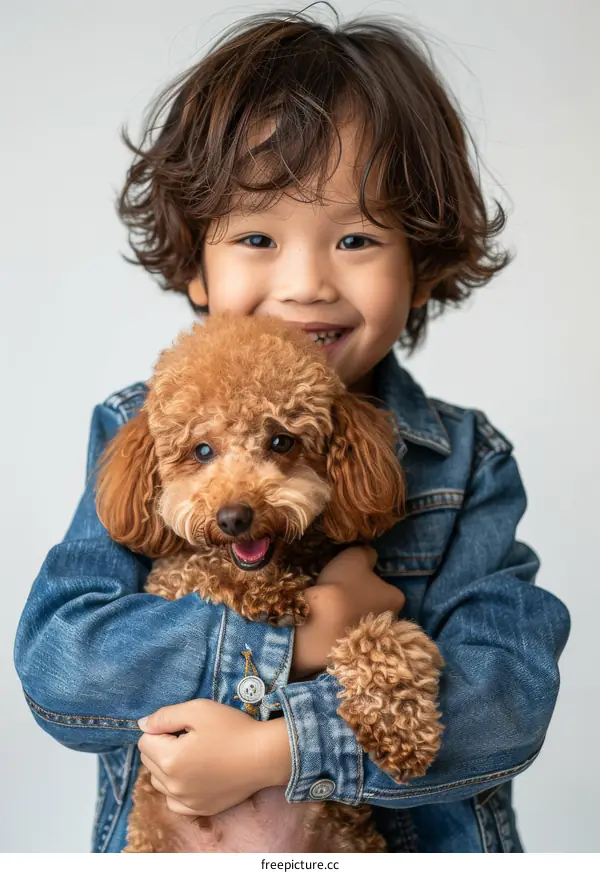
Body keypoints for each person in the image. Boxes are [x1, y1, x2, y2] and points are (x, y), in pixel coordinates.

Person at [13, 6, 570, 853]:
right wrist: (303, 635)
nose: (306, 282)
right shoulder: (138, 424)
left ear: (419, 268)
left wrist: (277, 748)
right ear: (197, 264)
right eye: (258, 236)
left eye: (354, 237)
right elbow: (63, 664)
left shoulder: (467, 463)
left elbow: (504, 705)